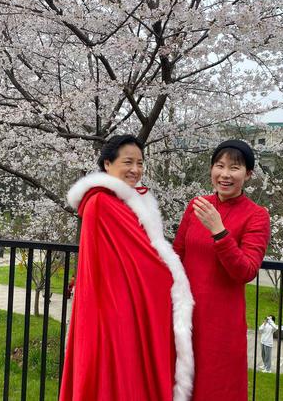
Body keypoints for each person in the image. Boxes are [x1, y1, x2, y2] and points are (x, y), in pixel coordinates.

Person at [60, 135, 194, 401]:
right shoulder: (102, 202)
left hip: (119, 303)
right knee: (117, 374)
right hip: (112, 307)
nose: (136, 169)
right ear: (108, 164)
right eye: (128, 162)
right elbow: (144, 256)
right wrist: (174, 276)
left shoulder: (122, 200)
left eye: (141, 163)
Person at [173, 139, 270, 400]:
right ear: (211, 169)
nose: (225, 174)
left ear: (248, 174)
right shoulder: (197, 206)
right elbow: (176, 256)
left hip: (221, 324)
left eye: (235, 168)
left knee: (216, 389)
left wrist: (220, 232)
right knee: (179, 385)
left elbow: (246, 270)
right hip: (184, 315)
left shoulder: (256, 215)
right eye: (219, 166)